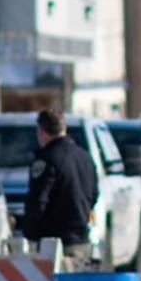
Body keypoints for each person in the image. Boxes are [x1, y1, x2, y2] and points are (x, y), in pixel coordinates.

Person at [23, 109, 98, 265]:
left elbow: (38, 200)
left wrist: (30, 232)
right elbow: (94, 194)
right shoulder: (85, 157)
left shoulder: (47, 160)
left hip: (53, 245)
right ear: (64, 128)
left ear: (42, 132)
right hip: (81, 240)